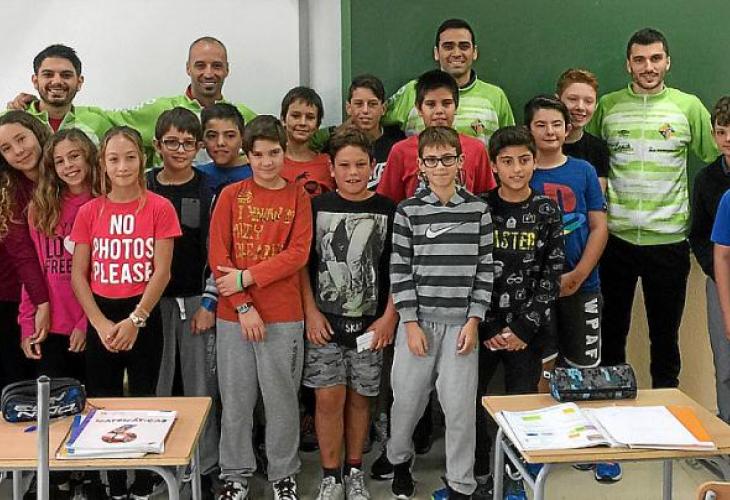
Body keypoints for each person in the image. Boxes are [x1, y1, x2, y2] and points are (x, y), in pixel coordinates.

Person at [586, 28, 719, 389]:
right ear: (628, 65)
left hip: (669, 242)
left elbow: (717, 158)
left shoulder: (688, 107)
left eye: (656, 58)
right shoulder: (607, 107)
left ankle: (666, 410)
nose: (648, 67)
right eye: (640, 60)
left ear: (668, 62)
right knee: (611, 334)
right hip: (615, 241)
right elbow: (589, 156)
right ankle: (612, 407)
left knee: (665, 339)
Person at [70, 126, 181, 499]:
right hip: (102, 316)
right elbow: (79, 275)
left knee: (144, 398)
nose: (122, 167)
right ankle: (115, 484)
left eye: (130, 158)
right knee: (104, 401)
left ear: (143, 159)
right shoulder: (89, 211)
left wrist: (136, 319)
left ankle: (144, 482)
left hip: (142, 314)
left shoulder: (160, 208)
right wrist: (99, 324)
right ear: (102, 163)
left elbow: (162, 271)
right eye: (114, 159)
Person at [209, 115, 312, 500]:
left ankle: (284, 473)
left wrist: (247, 277)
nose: (267, 162)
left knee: (282, 400)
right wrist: (242, 305)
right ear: (247, 156)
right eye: (258, 155)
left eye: (274, 153)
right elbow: (219, 256)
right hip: (233, 317)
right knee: (236, 400)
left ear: (285, 153)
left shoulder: (298, 197)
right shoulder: (231, 196)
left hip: (283, 315)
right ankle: (235, 474)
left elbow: (298, 253)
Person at [387, 126, 493, 499]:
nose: (440, 166)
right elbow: (399, 270)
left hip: (461, 326)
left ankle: (461, 483)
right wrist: (410, 323)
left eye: (447, 158)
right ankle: (400, 461)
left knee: (460, 410)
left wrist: (474, 320)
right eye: (432, 160)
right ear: (420, 165)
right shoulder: (408, 211)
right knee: (407, 402)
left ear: (460, 161)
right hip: (417, 325)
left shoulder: (478, 210)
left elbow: (485, 269)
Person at [302, 127, 397, 500]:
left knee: (360, 399)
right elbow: (302, 266)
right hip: (324, 325)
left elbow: (398, 269)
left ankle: (353, 469)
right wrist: (311, 312)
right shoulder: (315, 208)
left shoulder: (388, 209)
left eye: (360, 164)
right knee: (328, 399)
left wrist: (388, 317)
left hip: (371, 326)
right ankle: (331, 476)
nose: (353, 172)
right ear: (331, 168)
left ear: (372, 166)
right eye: (344, 165)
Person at [473, 126, 564, 499]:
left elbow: (551, 273)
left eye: (524, 160)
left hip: (528, 330)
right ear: (494, 165)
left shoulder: (547, 210)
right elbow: (471, 269)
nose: (516, 169)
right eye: (507, 162)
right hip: (483, 327)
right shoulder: (480, 207)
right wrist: (490, 326)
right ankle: (478, 475)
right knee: (473, 401)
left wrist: (524, 328)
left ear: (534, 162)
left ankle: (514, 476)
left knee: (522, 404)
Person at [526, 95, 612, 482]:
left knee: (584, 367)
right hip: (534, 292)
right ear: (529, 129)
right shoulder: (521, 171)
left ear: (568, 128)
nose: (550, 131)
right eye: (541, 125)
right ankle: (542, 446)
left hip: (583, 284)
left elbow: (598, 226)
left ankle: (589, 443)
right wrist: (543, 282)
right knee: (542, 367)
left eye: (556, 124)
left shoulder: (584, 171)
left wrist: (578, 274)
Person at [146, 107, 219, 498]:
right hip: (150, 304)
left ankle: (204, 467)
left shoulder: (209, 190)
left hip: (195, 301)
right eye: (171, 142)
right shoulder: (143, 185)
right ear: (157, 145)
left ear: (199, 147)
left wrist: (209, 302)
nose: (179, 150)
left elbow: (218, 251)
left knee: (200, 388)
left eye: (188, 143)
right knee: (157, 386)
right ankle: (157, 466)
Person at [383, 18, 514, 145]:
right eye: (448, 47)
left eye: (464, 46)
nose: (456, 53)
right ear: (436, 53)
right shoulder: (413, 90)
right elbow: (374, 120)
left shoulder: (496, 96)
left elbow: (511, 145)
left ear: (474, 52)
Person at [377, 69, 495, 204]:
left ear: (456, 106)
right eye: (431, 104)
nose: (439, 111)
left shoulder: (476, 149)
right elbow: (388, 203)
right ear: (419, 109)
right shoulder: (400, 151)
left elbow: (486, 199)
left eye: (446, 103)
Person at [0, 111, 51, 391]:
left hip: (61, 294)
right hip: (12, 297)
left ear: (37, 133)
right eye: (6, 148)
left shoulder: (65, 174)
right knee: (18, 384)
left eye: (21, 139)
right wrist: (41, 303)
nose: (18, 151)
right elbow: (23, 255)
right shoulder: (7, 190)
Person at [690, 96, 730, 423]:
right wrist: (716, 272)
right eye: (721, 131)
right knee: (726, 359)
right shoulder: (707, 180)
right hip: (722, 279)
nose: (728, 139)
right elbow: (700, 234)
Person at [344, 74, 405, 190]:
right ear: (348, 108)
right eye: (358, 104)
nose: (365, 110)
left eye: (372, 104)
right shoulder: (337, 146)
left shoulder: (398, 143)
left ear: (383, 108)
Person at [556, 68, 609, 192]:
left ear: (596, 106)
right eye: (572, 99)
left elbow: (596, 198)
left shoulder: (598, 149)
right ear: (557, 101)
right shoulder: (537, 145)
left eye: (588, 101)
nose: (580, 107)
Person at [280, 86, 334, 197]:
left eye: (310, 117)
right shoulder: (271, 162)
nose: (303, 122)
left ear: (318, 124)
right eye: (296, 116)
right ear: (283, 119)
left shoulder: (329, 163)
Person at [197, 102, 252, 194]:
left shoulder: (258, 175)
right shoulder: (196, 175)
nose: (220, 143)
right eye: (212, 136)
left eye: (230, 136)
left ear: (242, 138)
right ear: (202, 140)